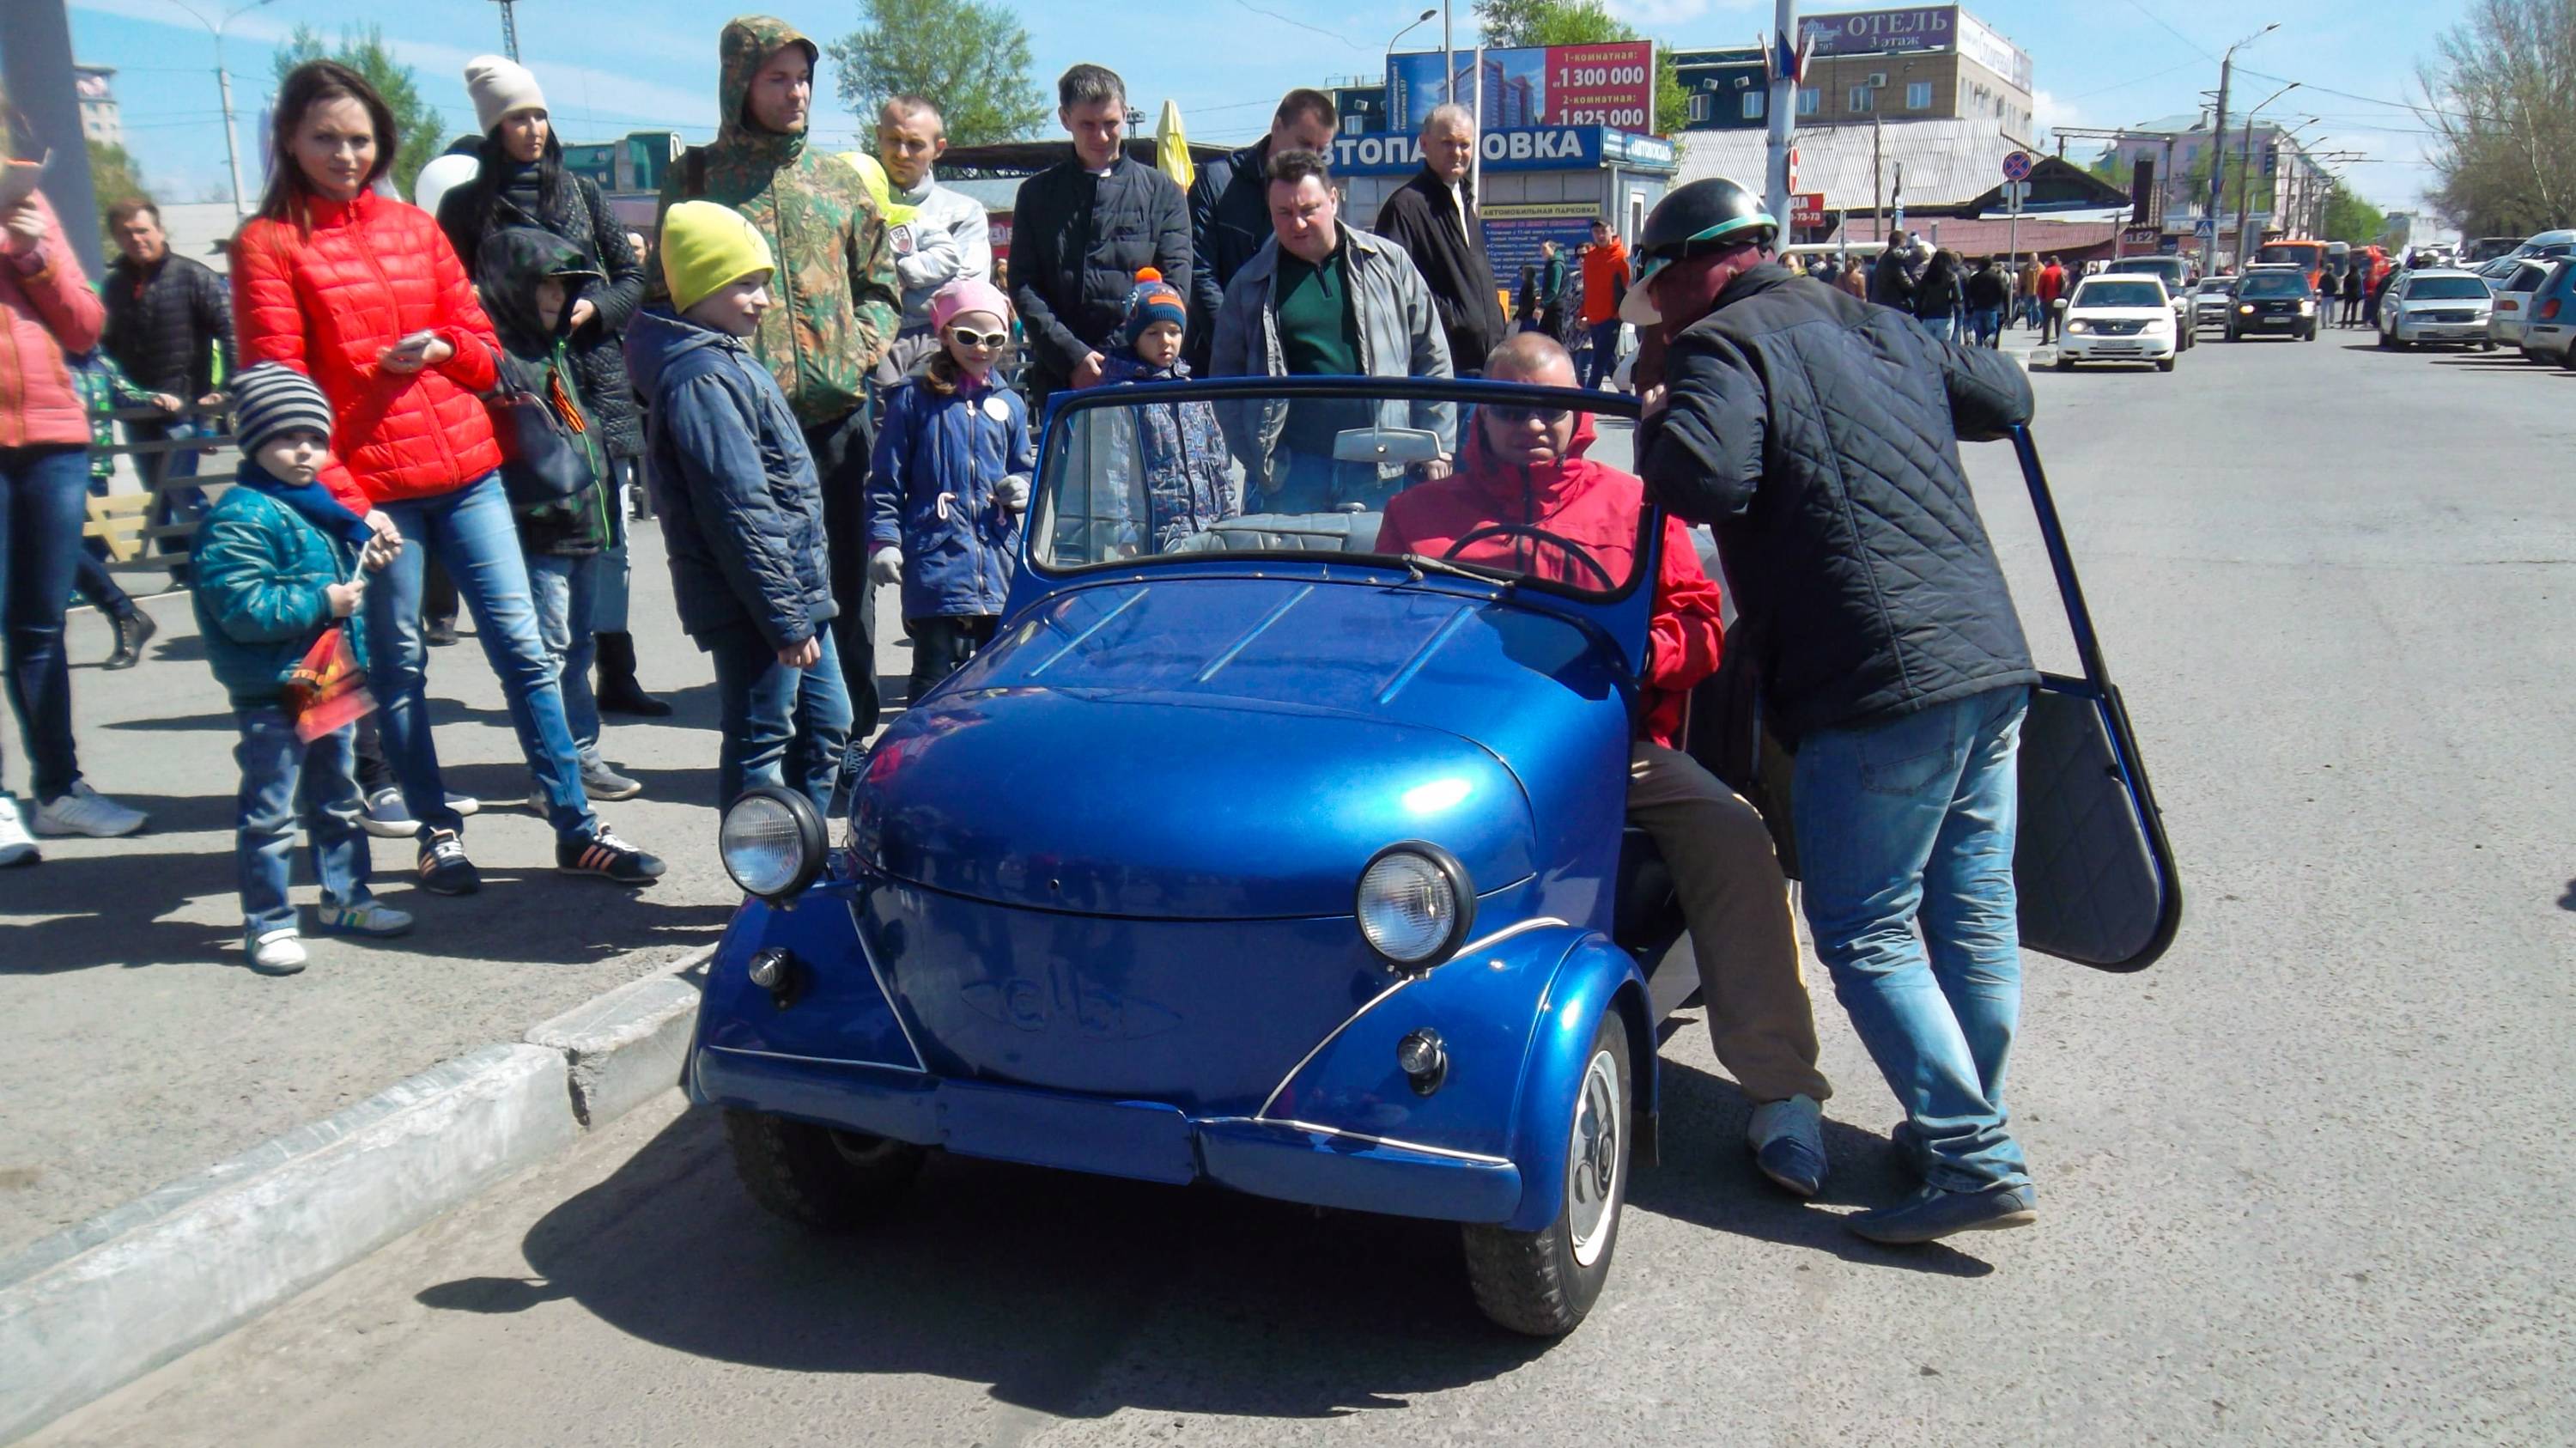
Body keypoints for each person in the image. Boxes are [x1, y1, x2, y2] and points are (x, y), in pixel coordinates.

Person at [1629, 176, 2041, 1245]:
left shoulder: (1721, 347)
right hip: (1989, 658)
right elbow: (2006, 396)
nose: (1657, 309)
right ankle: (1963, 1119)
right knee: (1972, 910)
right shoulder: (1882, 322)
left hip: (1874, 675)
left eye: (1660, 286)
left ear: (1698, 267)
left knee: (1866, 927)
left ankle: (1972, 1152)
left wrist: (1661, 415)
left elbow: (1703, 484)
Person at [1374, 332, 1836, 1193]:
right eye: (1513, 410)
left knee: (1735, 837)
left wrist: (1638, 658)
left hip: (1608, 744)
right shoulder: (1421, 515)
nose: (1534, 426)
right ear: (1485, 415)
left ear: (1580, 413)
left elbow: (1699, 627)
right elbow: (1378, 633)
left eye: (1553, 407)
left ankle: (1782, 1092)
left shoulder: (1632, 504)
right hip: (1452, 754)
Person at [235, 59, 664, 891]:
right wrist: (351, 509)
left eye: (360, 138)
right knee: (399, 669)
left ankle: (575, 825)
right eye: (324, 137)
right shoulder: (269, 244)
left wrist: (443, 350)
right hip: (372, 492)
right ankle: (436, 832)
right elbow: (279, 395)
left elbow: (483, 351)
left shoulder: (414, 229)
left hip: (468, 471)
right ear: (289, 139)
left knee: (527, 653)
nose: (345, 153)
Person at [656, 15, 901, 744]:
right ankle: (773, 744)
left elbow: (881, 282)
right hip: (740, 428)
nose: (795, 94)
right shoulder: (697, 180)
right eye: (777, 78)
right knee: (762, 590)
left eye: (803, 79)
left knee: (847, 595)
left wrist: (854, 350)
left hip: (834, 422)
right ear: (740, 83)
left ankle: (849, 739)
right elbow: (659, 292)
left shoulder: (835, 179)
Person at [438, 55, 666, 726]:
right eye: (517, 118)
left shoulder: (583, 194)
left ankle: (615, 672)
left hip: (595, 382)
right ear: (493, 128)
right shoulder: (466, 207)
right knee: (540, 544)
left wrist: (594, 308)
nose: (532, 129)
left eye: (539, 114)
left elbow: (631, 279)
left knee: (611, 538)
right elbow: (449, 296)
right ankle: (555, 700)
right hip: (518, 393)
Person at [627, 202, 851, 811]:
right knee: (762, 737)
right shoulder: (701, 376)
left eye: (764, 285)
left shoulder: (725, 359)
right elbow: (738, 508)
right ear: (701, 287)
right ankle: (765, 880)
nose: (763, 301)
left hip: (788, 593)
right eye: (746, 285)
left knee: (829, 724)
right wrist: (784, 617)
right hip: (755, 602)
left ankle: (797, 864)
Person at [191, 364, 415, 974]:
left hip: (323, 672)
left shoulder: (316, 507)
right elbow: (241, 608)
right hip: (272, 685)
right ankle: (267, 922)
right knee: (269, 810)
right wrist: (323, 601)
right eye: (288, 438)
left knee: (338, 795)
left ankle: (347, 898)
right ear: (253, 441)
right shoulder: (239, 517)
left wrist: (367, 553)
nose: (305, 451)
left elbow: (340, 579)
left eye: (315, 438)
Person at [0, 158, 149, 865]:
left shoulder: (28, 206)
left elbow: (87, 328)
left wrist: (32, 254)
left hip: (53, 441)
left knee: (40, 626)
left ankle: (57, 791)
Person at [477, 226, 645, 811]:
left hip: (583, 525)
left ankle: (582, 753)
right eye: (544, 292)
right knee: (545, 654)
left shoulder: (559, 353)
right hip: (541, 528)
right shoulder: (501, 359)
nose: (558, 304)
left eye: (563, 292)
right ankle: (552, 772)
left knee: (577, 648)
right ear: (512, 292)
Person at [1208, 148, 1454, 512]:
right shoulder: (1249, 285)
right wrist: (1258, 461)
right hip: (1292, 476)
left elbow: (1431, 355)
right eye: (1284, 213)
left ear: (1334, 200)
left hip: (1379, 469)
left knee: (1376, 569)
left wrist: (1437, 444)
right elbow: (1226, 385)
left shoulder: (1389, 264)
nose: (1298, 224)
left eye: (1309, 210)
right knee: (1292, 571)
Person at [867, 277, 1032, 704]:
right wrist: (884, 541)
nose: (982, 348)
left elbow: (1024, 467)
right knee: (932, 672)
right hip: (936, 556)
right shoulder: (911, 400)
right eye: (968, 336)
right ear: (944, 335)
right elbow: (886, 479)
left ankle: (989, 753)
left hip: (996, 559)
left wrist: (1024, 488)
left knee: (999, 674)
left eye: (993, 338)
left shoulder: (1010, 403)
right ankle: (923, 752)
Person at [1011, 64, 1192, 406]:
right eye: (1087, 125)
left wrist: (1122, 361)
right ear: (1065, 118)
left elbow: (1175, 286)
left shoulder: (1163, 192)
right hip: (1062, 380)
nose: (1101, 136)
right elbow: (1024, 285)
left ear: (1125, 114)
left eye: (1110, 123)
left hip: (1145, 381)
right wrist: (1072, 356)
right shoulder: (1036, 194)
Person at [99, 198, 232, 574]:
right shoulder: (114, 286)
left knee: (181, 490)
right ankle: (181, 571)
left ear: (159, 230)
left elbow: (231, 331)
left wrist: (225, 390)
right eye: (126, 233)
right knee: (158, 498)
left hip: (183, 407)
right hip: (137, 411)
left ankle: (222, 562)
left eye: (142, 230)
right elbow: (104, 349)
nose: (136, 238)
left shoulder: (192, 276)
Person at [1185, 88, 1339, 374]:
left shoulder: (1318, 194)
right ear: (1277, 127)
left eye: (1321, 149)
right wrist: (1241, 343)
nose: (1313, 157)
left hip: (1293, 359)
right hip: (1221, 362)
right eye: (1305, 144)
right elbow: (1199, 274)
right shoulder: (1218, 183)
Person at [852, 95, 993, 384]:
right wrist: (930, 283)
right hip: (867, 358)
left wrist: (883, 287)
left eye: (915, 144)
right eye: (893, 140)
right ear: (878, 137)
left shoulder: (965, 212)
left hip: (945, 358)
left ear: (938, 148)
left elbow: (966, 296)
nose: (902, 153)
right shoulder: (850, 206)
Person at [1089, 268, 1231, 547]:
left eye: (1174, 332)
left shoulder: (1193, 390)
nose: (1165, 341)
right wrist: (1122, 535)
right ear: (1135, 337)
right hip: (1156, 537)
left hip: (1209, 530)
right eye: (1153, 333)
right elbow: (1112, 472)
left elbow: (1218, 462)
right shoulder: (1122, 397)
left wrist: (1229, 517)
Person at [1374, 104, 1510, 377]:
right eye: (1447, 143)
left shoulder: (1465, 200)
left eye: (1465, 144)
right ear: (1424, 144)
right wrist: (1452, 320)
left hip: (1485, 365)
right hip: (1443, 369)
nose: (1457, 153)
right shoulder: (1406, 206)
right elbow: (1392, 286)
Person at [66, 349, 160, 667]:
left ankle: (123, 612)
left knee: (59, 543)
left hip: (71, 462)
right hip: (40, 455)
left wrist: (156, 399)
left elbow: (125, 393)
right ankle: (124, 612)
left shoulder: (98, 362)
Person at [1577, 219, 1628, 390]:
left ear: (1612, 231)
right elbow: (1588, 289)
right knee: (1609, 363)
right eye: (1596, 231)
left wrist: (1620, 315)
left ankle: (1585, 408)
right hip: (1594, 320)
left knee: (1597, 365)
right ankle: (1627, 398)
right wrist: (1583, 314)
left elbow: (1630, 288)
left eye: (1603, 231)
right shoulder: (1590, 258)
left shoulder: (1621, 257)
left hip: (1611, 319)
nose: (1600, 235)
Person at [1914, 247, 1961, 341]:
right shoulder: (1951, 277)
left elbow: (1919, 296)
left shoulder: (1927, 276)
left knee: (1929, 346)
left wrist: (1918, 313)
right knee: (1943, 348)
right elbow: (1958, 298)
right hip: (1945, 315)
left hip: (1928, 315)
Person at [1965, 255, 2010, 349]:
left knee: (1978, 333)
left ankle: (1978, 349)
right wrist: (2006, 311)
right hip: (1991, 308)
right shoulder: (1997, 278)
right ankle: (1989, 340)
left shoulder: (1974, 278)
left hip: (1977, 308)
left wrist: (1969, 310)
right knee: (1992, 331)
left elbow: (1968, 295)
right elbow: (2004, 293)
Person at [1869, 233, 1917, 311]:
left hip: (1881, 304)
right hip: (1894, 306)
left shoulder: (1883, 258)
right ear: (1901, 243)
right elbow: (1906, 283)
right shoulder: (1895, 258)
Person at [2035, 253, 2068, 344]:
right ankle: (2060, 338)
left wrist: (2041, 298)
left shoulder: (2046, 272)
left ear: (2049, 262)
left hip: (2048, 298)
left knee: (2047, 320)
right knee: (2059, 319)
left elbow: (2040, 287)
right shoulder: (2062, 271)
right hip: (2060, 298)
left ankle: (2046, 339)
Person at [2342, 259, 2366, 326]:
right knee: (2354, 309)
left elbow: (2345, 287)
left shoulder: (2347, 277)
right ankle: (2352, 323)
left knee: (2346, 309)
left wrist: (2344, 294)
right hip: (2355, 294)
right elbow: (2360, 285)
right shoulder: (2358, 276)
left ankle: (2343, 323)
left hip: (2348, 294)